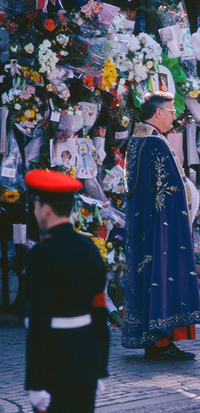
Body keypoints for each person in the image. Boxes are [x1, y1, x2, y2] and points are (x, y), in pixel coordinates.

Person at [122, 91, 200, 360]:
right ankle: (162, 341)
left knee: (146, 279)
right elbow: (171, 192)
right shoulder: (157, 143)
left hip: (142, 226)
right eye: (170, 112)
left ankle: (151, 340)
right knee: (162, 275)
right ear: (158, 113)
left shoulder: (136, 140)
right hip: (161, 228)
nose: (174, 116)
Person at [24, 170, 109, 413]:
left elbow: (39, 321)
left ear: (46, 209)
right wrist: (100, 367)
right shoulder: (89, 249)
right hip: (87, 363)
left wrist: (36, 382)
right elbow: (99, 316)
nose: (35, 210)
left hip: (55, 365)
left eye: (36, 205)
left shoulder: (41, 255)